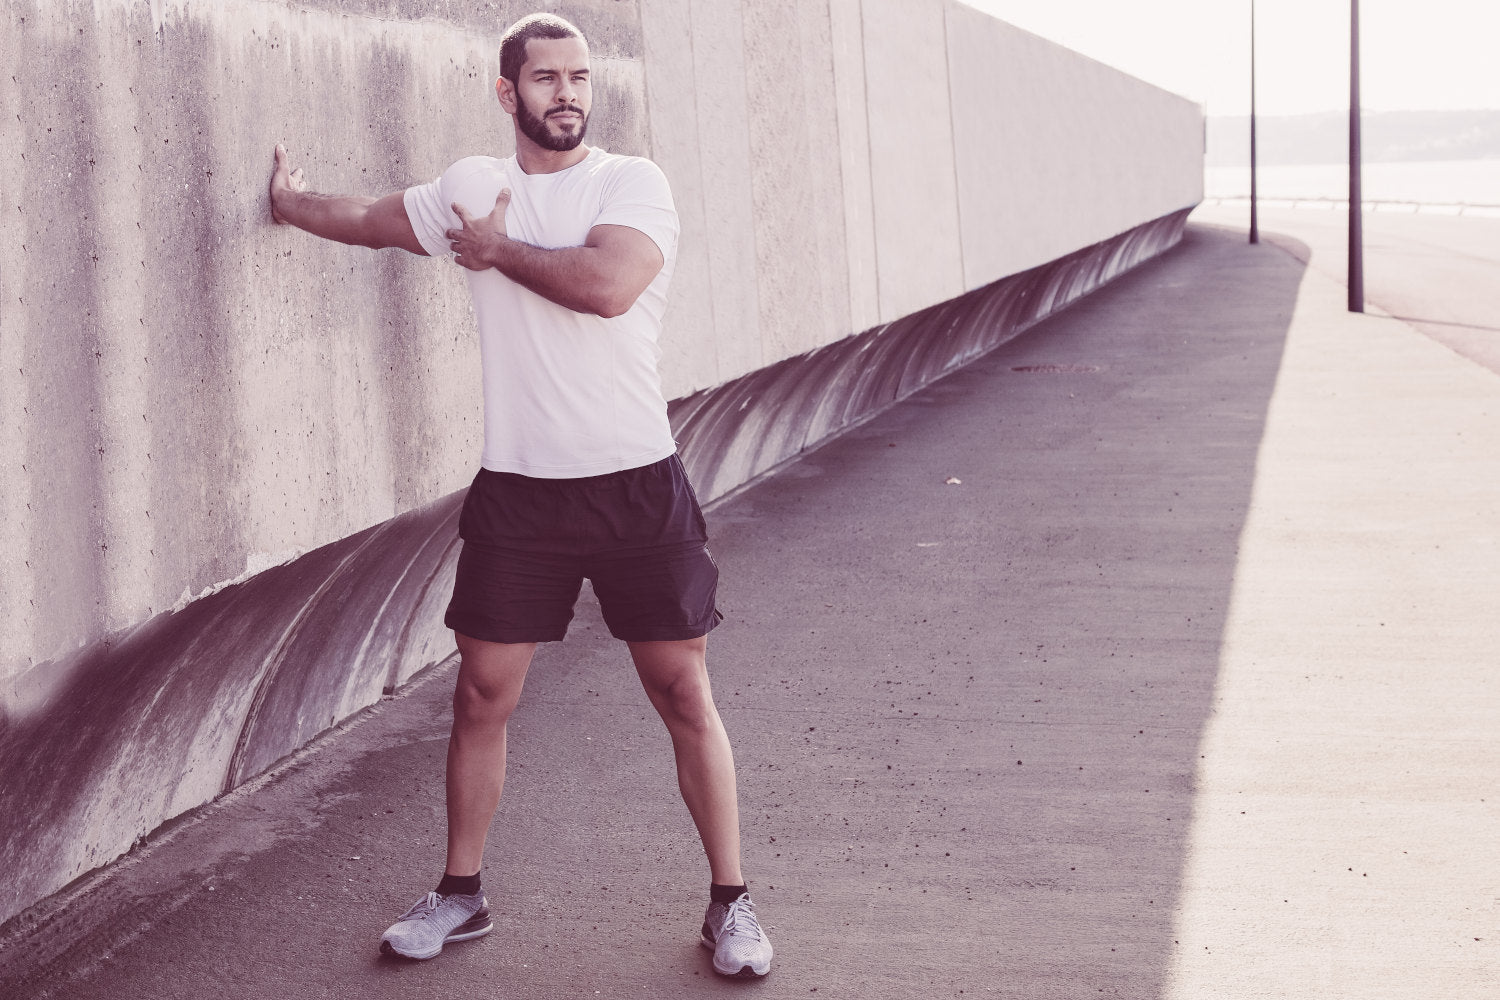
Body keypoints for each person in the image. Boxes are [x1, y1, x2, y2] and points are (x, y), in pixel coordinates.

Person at [266, 12, 771, 979]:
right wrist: (291, 205)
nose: (568, 93)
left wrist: (498, 253)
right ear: (510, 93)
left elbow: (607, 286)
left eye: (579, 76)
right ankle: (460, 896)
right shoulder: (472, 189)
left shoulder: (632, 183)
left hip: (633, 484)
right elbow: (377, 221)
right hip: (521, 492)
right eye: (546, 79)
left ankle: (731, 904)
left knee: (681, 691)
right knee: (481, 695)